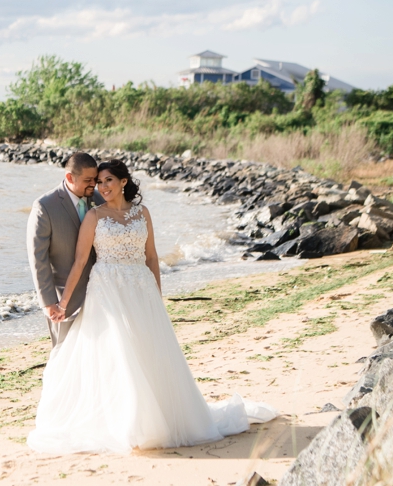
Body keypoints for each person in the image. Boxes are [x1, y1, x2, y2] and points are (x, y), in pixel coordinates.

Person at [27, 159, 277, 453]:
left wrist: (156, 296)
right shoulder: (91, 214)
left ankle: (159, 418)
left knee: (149, 352)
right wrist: (61, 303)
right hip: (107, 290)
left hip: (141, 289)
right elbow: (79, 261)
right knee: (118, 354)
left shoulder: (141, 212)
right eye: (98, 181)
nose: (100, 186)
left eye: (108, 180)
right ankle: (129, 423)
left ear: (123, 182)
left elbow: (152, 257)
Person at [26, 152, 105, 347]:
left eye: (95, 179)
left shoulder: (100, 199)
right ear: (69, 177)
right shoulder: (44, 207)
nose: (93, 184)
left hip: (101, 292)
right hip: (64, 299)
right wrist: (48, 301)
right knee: (64, 353)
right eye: (88, 180)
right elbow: (38, 258)